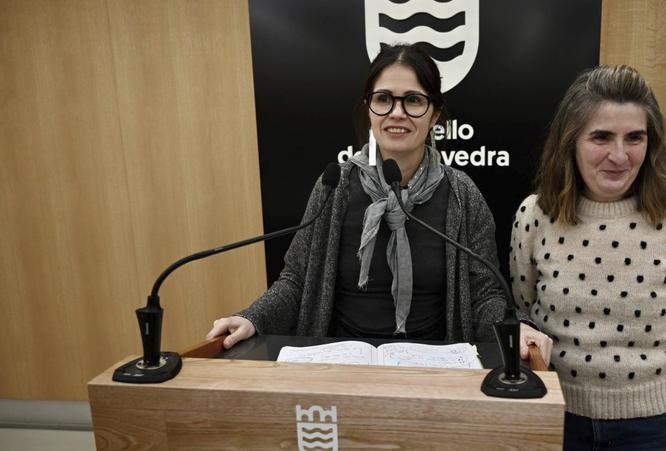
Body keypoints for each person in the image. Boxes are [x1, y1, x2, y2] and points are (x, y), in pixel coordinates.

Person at [208, 43, 551, 362]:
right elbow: (296, 280)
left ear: (434, 114)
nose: (397, 113)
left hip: (433, 366)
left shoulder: (462, 195)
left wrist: (514, 327)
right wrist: (253, 318)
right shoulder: (335, 187)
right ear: (369, 109)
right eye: (384, 99)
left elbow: (484, 295)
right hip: (342, 364)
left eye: (413, 100)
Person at [510, 65, 666, 451]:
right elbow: (525, 310)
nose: (619, 155)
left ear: (652, 143)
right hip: (555, 415)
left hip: (650, 427)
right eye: (601, 137)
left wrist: (642, 374)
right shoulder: (535, 216)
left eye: (635, 138)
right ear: (570, 142)